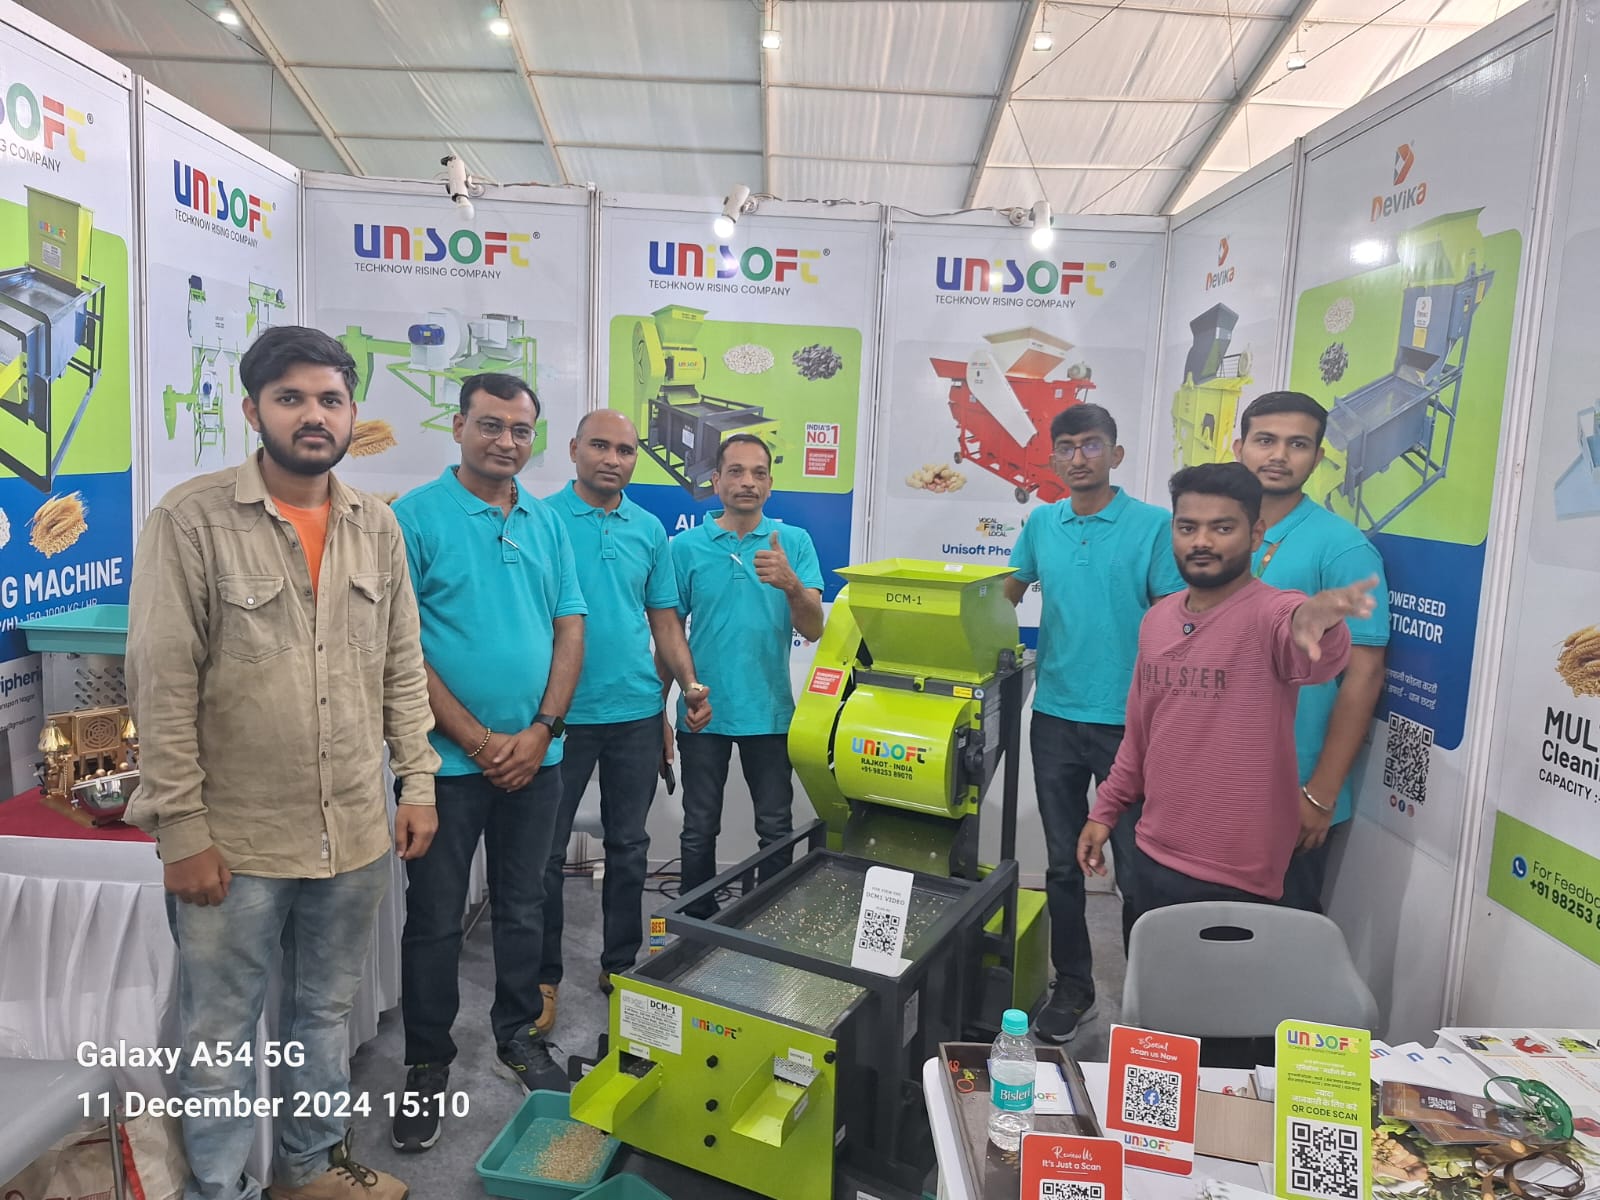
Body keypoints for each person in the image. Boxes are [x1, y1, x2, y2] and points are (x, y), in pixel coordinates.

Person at [126, 325, 437, 1200]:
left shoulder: (376, 525)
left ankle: (310, 1167)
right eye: (291, 398)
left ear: (352, 412)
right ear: (251, 409)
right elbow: (161, 683)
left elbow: (401, 665)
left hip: (354, 829)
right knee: (218, 1031)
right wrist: (182, 830)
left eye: (330, 399)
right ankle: (218, 1187)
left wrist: (416, 781)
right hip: (238, 838)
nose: (314, 416)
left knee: (324, 1013)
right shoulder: (191, 520)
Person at [389, 372, 585, 1153]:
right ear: (459, 427)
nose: (507, 441)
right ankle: (426, 1062)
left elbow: (569, 628)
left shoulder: (547, 521)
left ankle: (517, 1035)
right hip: (444, 767)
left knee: (525, 905)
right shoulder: (414, 518)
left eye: (520, 429)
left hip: (538, 759)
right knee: (436, 920)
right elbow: (400, 648)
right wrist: (473, 739)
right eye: (491, 425)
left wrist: (542, 729)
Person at [1077, 463, 1377, 913]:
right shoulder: (1156, 621)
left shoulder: (1271, 613)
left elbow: (1309, 648)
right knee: (1149, 961)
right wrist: (1104, 810)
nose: (1202, 541)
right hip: (1152, 852)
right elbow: (1139, 737)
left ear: (1255, 535)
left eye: (1222, 528)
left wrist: (1319, 622)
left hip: (1240, 875)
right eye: (1188, 527)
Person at [1004, 403, 1184, 1044]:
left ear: (1116, 453)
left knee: (1137, 869)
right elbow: (1006, 593)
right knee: (1061, 864)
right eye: (1067, 447)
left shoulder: (1153, 526)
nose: (1078, 458)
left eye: (1091, 445)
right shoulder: (1041, 523)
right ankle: (1074, 988)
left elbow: (1176, 620)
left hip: (1129, 724)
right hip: (1054, 714)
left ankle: (1147, 1003)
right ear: (1052, 457)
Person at [535, 410, 711, 1032]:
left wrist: (686, 685)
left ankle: (620, 966)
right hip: (558, 717)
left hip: (634, 712)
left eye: (626, 450)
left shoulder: (649, 528)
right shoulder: (540, 520)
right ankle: (542, 978)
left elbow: (664, 620)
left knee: (629, 847)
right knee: (544, 853)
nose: (613, 459)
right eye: (600, 446)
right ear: (574, 449)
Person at [1232, 391, 1390, 911]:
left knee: (1278, 941)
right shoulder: (1219, 537)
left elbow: (1364, 675)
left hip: (1291, 792)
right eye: (1265, 440)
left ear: (1319, 457)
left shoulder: (1341, 548)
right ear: (1238, 447)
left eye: (1297, 444)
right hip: (1216, 782)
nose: (1279, 455)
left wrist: (1320, 794)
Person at [671, 433, 824, 914]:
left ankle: (764, 923)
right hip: (703, 710)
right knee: (699, 828)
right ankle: (695, 921)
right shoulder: (685, 547)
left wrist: (791, 584)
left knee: (775, 828)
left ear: (770, 484)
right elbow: (669, 631)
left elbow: (814, 628)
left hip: (770, 711)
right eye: (736, 471)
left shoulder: (793, 543)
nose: (747, 482)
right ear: (716, 480)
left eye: (758, 473)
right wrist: (668, 702)